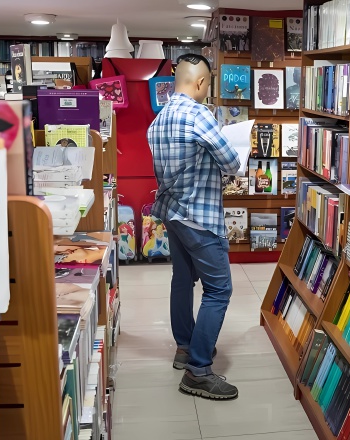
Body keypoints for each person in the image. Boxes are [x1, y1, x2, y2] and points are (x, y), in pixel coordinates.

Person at [147, 53, 241, 400]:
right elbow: (232, 163)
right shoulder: (199, 114)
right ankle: (198, 370)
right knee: (219, 290)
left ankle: (185, 347)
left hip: (172, 212)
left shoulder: (160, 119)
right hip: (199, 218)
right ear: (201, 83)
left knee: (182, 280)